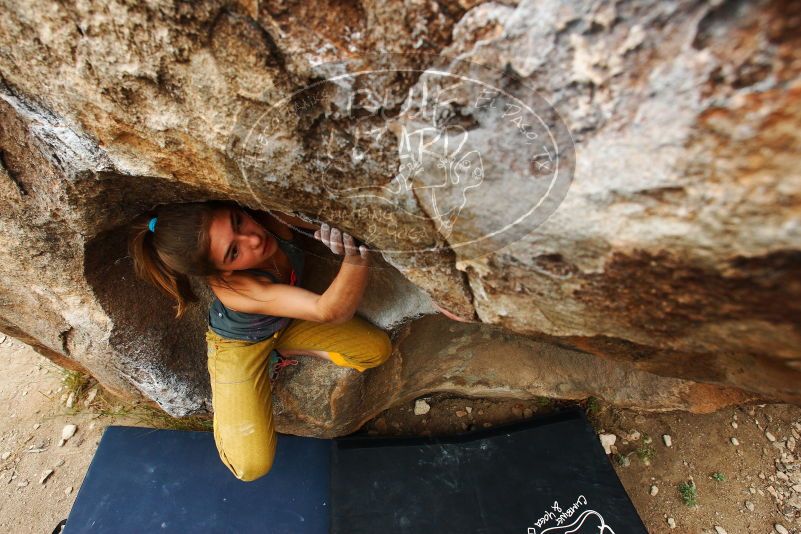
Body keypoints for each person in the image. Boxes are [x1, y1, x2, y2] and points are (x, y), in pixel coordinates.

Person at [127, 199, 392, 481]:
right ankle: (232, 402)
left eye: (237, 222)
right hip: (240, 345)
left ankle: (280, 351)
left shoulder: (270, 220)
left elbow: (328, 218)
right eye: (233, 251)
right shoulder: (235, 289)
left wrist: (346, 227)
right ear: (222, 271)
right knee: (250, 466)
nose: (253, 238)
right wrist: (356, 255)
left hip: (285, 322)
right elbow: (330, 310)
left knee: (376, 351)